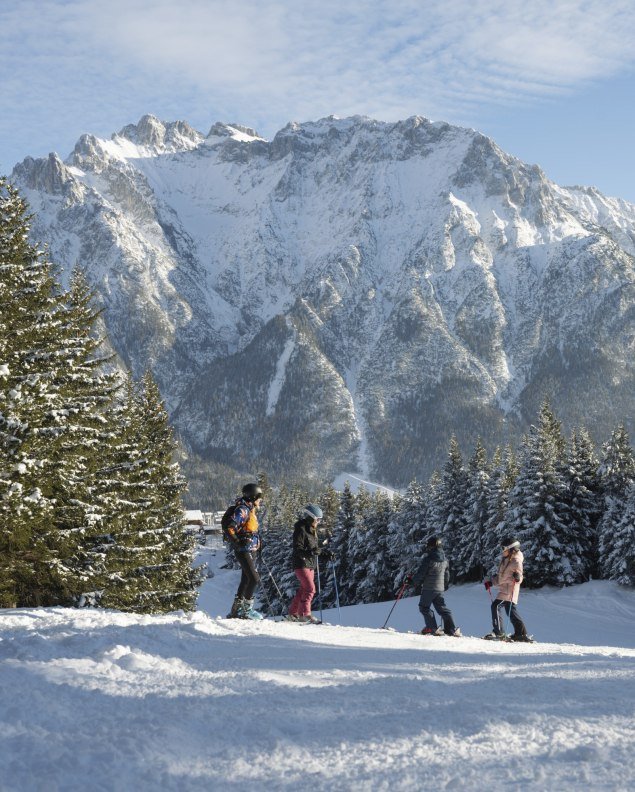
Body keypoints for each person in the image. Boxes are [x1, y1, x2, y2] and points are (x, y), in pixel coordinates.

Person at [226, 483, 264, 620]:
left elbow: (250, 531)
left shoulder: (250, 509)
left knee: (246, 579)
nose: (261, 500)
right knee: (254, 579)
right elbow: (230, 528)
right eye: (259, 497)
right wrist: (237, 541)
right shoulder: (243, 510)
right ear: (253, 497)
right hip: (243, 550)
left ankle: (236, 610)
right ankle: (247, 610)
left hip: (250, 549)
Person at [410, 536, 461, 637]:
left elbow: (421, 573)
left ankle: (432, 628)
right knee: (442, 609)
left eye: (429, 546)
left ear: (431, 546)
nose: (428, 548)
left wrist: (412, 582)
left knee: (424, 607)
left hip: (429, 588)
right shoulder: (445, 560)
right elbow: (447, 576)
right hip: (440, 589)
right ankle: (451, 629)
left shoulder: (429, 559)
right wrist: (444, 586)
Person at [484, 536, 532, 641]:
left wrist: (518, 578)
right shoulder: (505, 560)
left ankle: (499, 632)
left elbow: (520, 577)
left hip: (509, 591)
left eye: (503, 548)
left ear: (511, 549)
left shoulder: (516, 561)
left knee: (495, 606)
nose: (502, 551)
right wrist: (491, 583)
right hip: (504, 590)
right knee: (511, 612)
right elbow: (502, 578)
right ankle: (521, 633)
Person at [285, 503, 324, 623]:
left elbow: (314, 548)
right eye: (317, 519)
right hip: (301, 564)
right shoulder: (300, 529)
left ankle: (293, 613)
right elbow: (298, 548)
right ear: (310, 517)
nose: (318, 522)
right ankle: (304, 614)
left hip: (310, 564)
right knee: (310, 589)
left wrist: (325, 553)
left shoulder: (311, 531)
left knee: (303, 589)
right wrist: (311, 552)